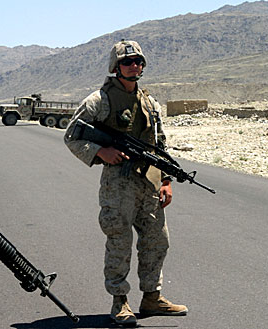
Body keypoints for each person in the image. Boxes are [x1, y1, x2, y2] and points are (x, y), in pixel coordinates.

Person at [64, 40, 188, 326]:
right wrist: (100, 152)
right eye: (128, 62)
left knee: (158, 241)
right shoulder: (99, 100)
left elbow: (159, 144)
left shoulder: (149, 102)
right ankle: (119, 301)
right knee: (120, 241)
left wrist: (166, 180)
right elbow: (72, 135)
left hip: (149, 182)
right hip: (118, 184)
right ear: (115, 66)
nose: (134, 66)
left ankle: (152, 297)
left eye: (138, 62)